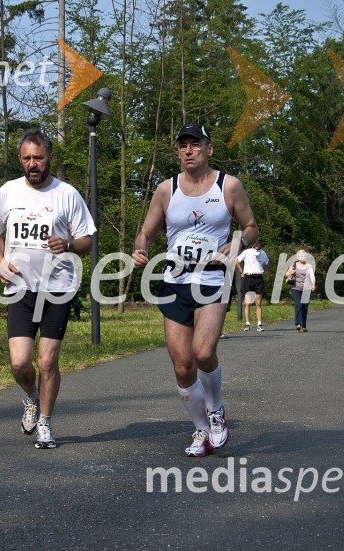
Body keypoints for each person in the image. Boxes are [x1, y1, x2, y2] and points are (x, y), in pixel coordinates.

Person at [133, 122, 258, 457]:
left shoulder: (228, 186)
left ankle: (215, 411)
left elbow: (251, 226)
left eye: (195, 144)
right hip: (175, 281)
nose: (188, 151)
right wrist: (140, 248)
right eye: (183, 146)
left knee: (203, 353)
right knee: (182, 366)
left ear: (209, 149)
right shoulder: (166, 189)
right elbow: (146, 232)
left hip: (212, 279)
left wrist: (239, 242)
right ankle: (201, 430)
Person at [0, 128, 96, 450]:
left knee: (47, 362)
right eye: (27, 158)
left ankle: (45, 423)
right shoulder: (8, 192)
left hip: (57, 289)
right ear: (20, 160)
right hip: (20, 289)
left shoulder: (67, 194)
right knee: (20, 364)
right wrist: (0, 261)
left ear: (49, 158)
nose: (32, 164)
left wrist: (69, 245)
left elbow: (87, 240)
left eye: (38, 158)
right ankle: (33, 397)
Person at [235, 239, 269, 332]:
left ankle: (259, 324)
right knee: (248, 302)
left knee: (258, 302)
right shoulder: (247, 252)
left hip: (258, 278)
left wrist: (261, 269)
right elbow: (237, 261)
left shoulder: (263, 253)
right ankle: (247, 323)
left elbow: (266, 263)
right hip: (248, 278)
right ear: (253, 248)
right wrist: (241, 270)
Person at [285, 249, 316, 332]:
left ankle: (304, 325)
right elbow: (286, 274)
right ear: (298, 257)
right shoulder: (294, 264)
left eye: (304, 256)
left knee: (304, 306)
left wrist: (313, 284)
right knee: (298, 304)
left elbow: (312, 276)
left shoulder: (309, 266)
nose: (303, 257)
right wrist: (291, 272)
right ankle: (298, 324)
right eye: (301, 256)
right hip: (295, 288)